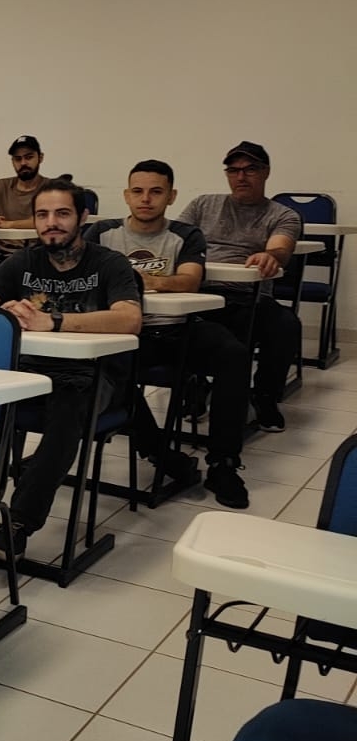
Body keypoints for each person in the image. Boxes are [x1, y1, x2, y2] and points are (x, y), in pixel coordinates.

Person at [0, 179, 142, 556]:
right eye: (42, 214)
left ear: (83, 217)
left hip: (92, 374)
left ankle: (19, 523)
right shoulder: (23, 261)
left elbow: (130, 318)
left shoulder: (110, 263)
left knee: (68, 407)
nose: (51, 222)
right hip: (30, 370)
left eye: (62, 213)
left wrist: (53, 322)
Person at [85, 160, 251, 508]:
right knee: (106, 367)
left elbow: (189, 280)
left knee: (233, 355)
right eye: (138, 191)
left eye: (156, 192)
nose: (146, 199)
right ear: (126, 195)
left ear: (171, 196)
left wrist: (133, 281)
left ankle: (223, 463)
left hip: (178, 329)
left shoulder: (186, 235)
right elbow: (85, 279)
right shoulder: (101, 233)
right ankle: (161, 454)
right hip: (127, 332)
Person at [176, 141, 302, 433]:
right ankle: (193, 388)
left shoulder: (283, 215)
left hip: (247, 296)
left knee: (286, 325)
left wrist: (271, 256)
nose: (241, 177)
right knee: (168, 323)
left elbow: (281, 247)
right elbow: (174, 241)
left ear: (266, 172)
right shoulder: (202, 204)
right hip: (199, 291)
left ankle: (265, 396)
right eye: (233, 170)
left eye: (250, 169)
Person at [0, 135, 47, 256]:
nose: (23, 163)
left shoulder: (51, 189)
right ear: (12, 162)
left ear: (40, 157)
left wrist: (9, 225)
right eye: (18, 159)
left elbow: (45, 220)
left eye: (29, 157)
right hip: (0, 256)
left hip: (38, 256)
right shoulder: (0, 186)